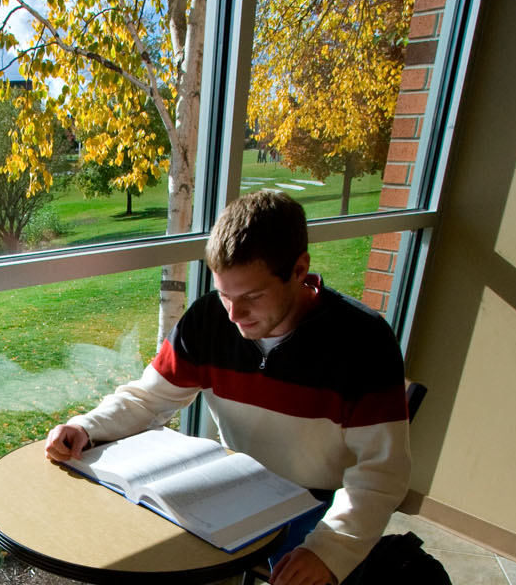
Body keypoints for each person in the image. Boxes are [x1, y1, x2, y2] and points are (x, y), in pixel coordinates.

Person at [44, 191, 410, 585]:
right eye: (225, 294)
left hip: (322, 504)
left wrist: (330, 550)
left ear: (299, 269)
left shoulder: (364, 342)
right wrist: (86, 427)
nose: (235, 315)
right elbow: (149, 397)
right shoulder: (209, 320)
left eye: (252, 296)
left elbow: (381, 472)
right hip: (237, 490)